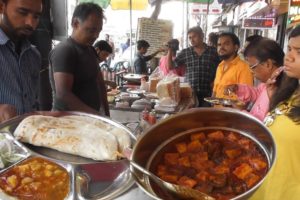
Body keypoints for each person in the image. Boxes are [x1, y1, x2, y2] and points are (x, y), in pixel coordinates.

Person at [250, 25, 300, 200]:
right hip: (267, 188)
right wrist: (273, 100)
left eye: (299, 52)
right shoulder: (292, 90)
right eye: (289, 49)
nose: (289, 57)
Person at [49, 2, 109, 117]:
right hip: (68, 121)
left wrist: (106, 114)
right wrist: (97, 116)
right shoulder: (65, 50)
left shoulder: (90, 50)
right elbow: (63, 94)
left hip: (88, 119)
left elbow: (99, 83)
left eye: (99, 31)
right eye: (91, 30)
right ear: (75, 24)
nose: (96, 35)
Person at [0, 0, 42, 123]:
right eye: (23, 12)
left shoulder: (33, 56)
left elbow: (32, 101)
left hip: (26, 136)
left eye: (36, 16)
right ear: (2, 7)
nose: (31, 23)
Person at [224, 39, 284, 121]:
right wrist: (238, 88)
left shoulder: (277, 88)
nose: (251, 72)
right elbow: (257, 92)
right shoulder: (268, 84)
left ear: (268, 64)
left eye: (252, 67)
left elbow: (262, 123)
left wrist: (240, 111)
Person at [167, 26, 220, 107]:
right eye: (190, 38)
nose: (192, 40)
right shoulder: (185, 52)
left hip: (208, 93)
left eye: (194, 36)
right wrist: (170, 50)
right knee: (191, 117)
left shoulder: (213, 51)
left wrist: (215, 81)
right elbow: (170, 67)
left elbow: (221, 68)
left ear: (202, 35)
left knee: (206, 117)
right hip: (190, 93)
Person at [212, 32, 253, 99]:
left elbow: (246, 97)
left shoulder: (244, 67)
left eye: (226, 44)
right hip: (216, 109)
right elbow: (215, 90)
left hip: (231, 109)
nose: (221, 47)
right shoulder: (220, 66)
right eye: (219, 45)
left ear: (235, 47)